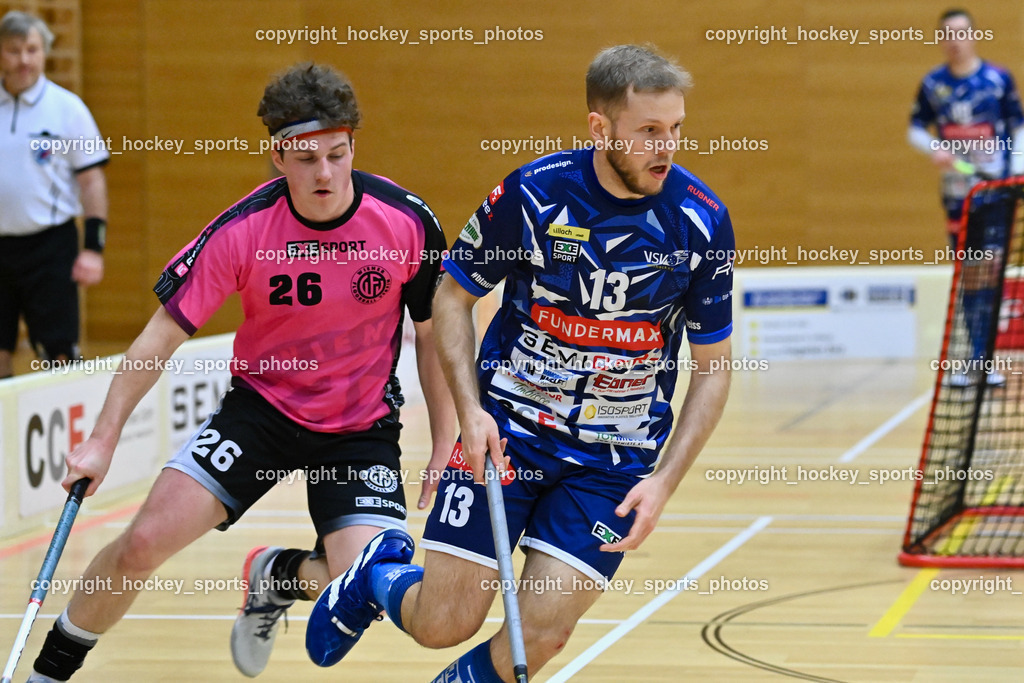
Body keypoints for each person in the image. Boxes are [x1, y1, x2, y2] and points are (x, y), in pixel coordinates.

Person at [305, 44, 735, 682]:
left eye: (675, 129)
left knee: (538, 641)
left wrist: (666, 481)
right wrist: (469, 413)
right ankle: (376, 573)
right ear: (601, 127)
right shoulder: (533, 195)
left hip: (613, 462)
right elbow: (453, 299)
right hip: (509, 435)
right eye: (648, 131)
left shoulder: (700, 221)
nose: (664, 147)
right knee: (441, 624)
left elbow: (715, 368)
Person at [25, 62, 454, 682]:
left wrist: (445, 443)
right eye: (305, 159)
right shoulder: (243, 229)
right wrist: (102, 439)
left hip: (360, 428)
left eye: (337, 154)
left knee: (361, 584)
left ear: (354, 145)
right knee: (141, 544)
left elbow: (430, 334)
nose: (325, 174)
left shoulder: (406, 222)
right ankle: (47, 673)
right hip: (261, 414)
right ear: (277, 156)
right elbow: (157, 338)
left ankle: (274, 576)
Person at [908, 8, 1024, 387]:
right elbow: (915, 129)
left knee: (989, 268)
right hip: (958, 196)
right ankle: (975, 357)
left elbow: (1018, 126)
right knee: (970, 276)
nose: (954, 40)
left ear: (973, 35)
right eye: (947, 34)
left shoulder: (998, 80)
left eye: (961, 32)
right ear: (941, 39)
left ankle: (983, 358)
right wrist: (933, 149)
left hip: (994, 193)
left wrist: (1016, 171)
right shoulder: (932, 84)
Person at [0, 11, 109, 378]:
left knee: (58, 354)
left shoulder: (67, 110)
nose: (24, 60)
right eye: (14, 51)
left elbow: (92, 182)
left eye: (32, 49)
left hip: (50, 248)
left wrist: (93, 248)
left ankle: (67, 434)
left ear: (44, 52)